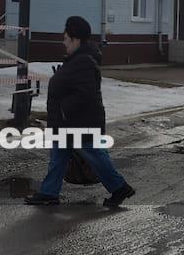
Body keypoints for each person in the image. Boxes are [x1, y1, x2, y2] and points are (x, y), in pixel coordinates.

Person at [24, 16, 135, 207]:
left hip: (78, 122)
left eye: (66, 39)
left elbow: (86, 94)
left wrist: (64, 110)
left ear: (76, 40)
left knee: (95, 156)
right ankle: (49, 193)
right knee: (58, 158)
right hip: (68, 122)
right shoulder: (77, 59)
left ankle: (120, 187)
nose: (64, 43)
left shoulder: (83, 61)